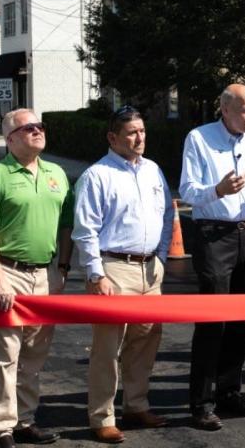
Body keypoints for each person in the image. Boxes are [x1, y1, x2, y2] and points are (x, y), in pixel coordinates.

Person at [0, 109, 73, 448]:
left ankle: (26, 420)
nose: (38, 131)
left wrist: (64, 268)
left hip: (46, 273)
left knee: (34, 355)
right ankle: (1, 428)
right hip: (8, 272)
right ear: (10, 138)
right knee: (4, 355)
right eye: (29, 128)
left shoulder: (57, 173)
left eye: (40, 126)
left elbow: (66, 224)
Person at [179, 84, 245, 430]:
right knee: (213, 319)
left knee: (241, 318)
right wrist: (218, 190)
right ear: (224, 109)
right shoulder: (199, 138)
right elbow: (187, 191)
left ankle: (229, 391)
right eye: (244, 110)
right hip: (214, 234)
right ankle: (202, 402)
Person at [72, 106, 173, 444]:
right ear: (112, 138)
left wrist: (159, 258)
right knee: (108, 347)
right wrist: (96, 273)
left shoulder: (153, 170)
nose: (139, 138)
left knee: (145, 341)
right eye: (131, 132)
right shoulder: (97, 175)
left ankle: (136, 405)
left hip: (149, 270)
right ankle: (102, 417)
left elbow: (165, 216)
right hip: (113, 268)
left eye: (142, 131)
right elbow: (85, 230)